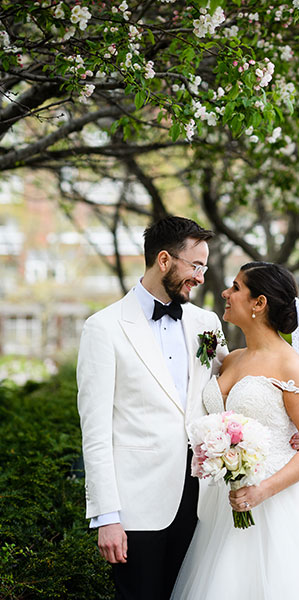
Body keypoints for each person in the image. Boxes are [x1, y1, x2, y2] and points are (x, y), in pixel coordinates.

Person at [171, 261, 299, 600]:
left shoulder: (291, 367)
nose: (226, 293)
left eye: (236, 288)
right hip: (222, 501)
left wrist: (262, 491)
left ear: (260, 303)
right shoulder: (230, 358)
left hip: (277, 501)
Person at [77, 216, 229, 600]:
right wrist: (107, 517)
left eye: (204, 266)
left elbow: (232, 382)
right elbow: (95, 432)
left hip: (201, 502)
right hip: (137, 508)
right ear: (164, 260)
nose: (200, 276)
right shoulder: (104, 328)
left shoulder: (205, 322)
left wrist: (285, 418)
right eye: (195, 265)